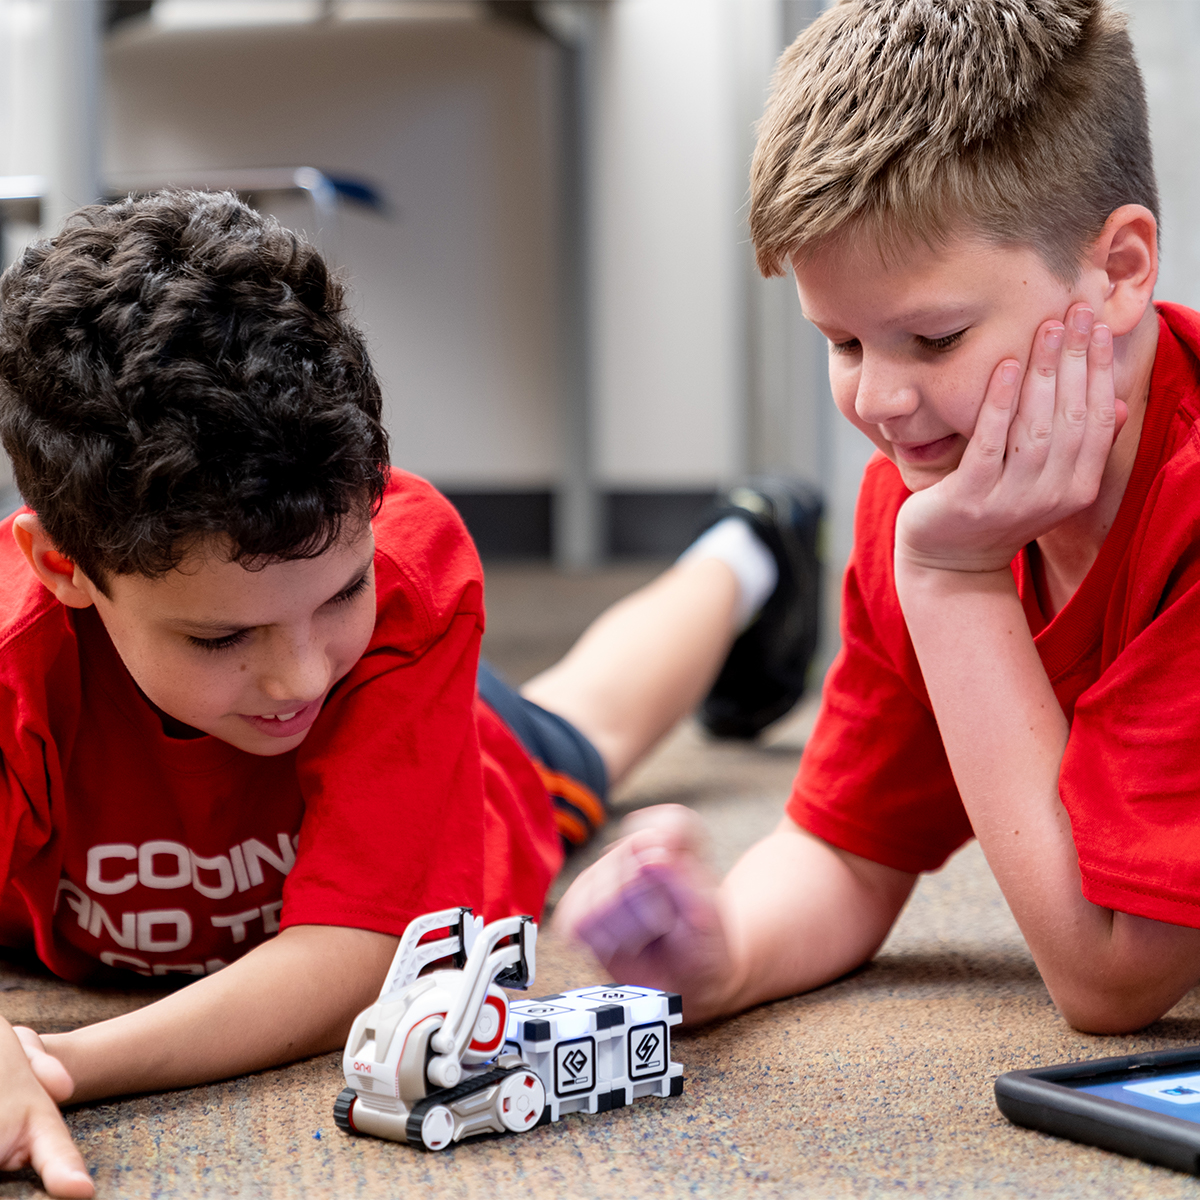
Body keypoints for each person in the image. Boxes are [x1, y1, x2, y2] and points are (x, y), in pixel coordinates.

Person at [0, 190, 819, 1197]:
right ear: (61, 565)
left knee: (592, 721)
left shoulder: (407, 583)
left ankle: (751, 548)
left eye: (341, 585)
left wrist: (52, 1062)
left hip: (450, 737)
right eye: (220, 634)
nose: (300, 676)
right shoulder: (15, 663)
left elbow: (357, 960)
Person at [555, 0, 1200, 1047]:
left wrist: (955, 582)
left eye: (934, 338)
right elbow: (852, 849)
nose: (882, 403)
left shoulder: (965, 541)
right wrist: (725, 955)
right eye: (844, 343)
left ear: (1120, 271)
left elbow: (1110, 973)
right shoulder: (926, 501)